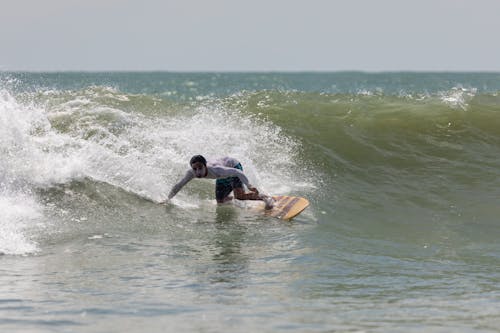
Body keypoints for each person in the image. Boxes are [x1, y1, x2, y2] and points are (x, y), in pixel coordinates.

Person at [165, 155, 273, 208]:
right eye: (195, 169)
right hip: (222, 176)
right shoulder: (191, 173)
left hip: (234, 167)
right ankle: (239, 198)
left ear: (205, 165)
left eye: (200, 168)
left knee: (239, 196)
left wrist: (249, 185)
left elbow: (238, 172)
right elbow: (178, 185)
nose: (198, 172)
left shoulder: (217, 170)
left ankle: (264, 197)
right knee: (221, 202)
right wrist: (167, 199)